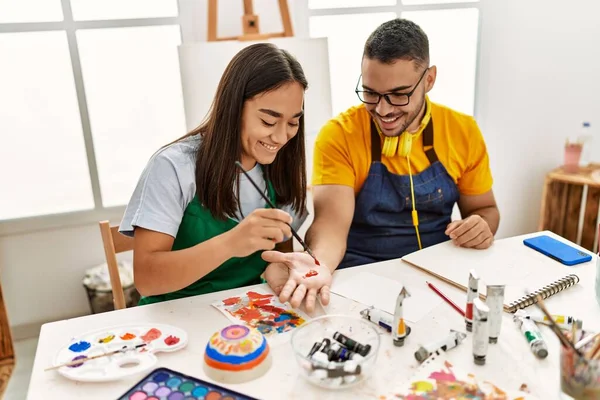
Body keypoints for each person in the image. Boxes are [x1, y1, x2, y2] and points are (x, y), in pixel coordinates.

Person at [264, 18, 500, 304]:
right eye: (371, 93)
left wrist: (481, 225)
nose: (383, 109)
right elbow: (330, 226)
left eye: (399, 95)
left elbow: (486, 210)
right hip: (360, 275)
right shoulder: (339, 135)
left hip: (440, 275)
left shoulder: (463, 131)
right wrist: (319, 265)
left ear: (429, 79)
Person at [119, 43, 330, 309]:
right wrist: (231, 243)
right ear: (233, 108)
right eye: (267, 121)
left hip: (250, 311)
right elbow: (147, 279)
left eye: (292, 122)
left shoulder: (281, 164)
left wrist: (281, 268)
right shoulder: (173, 166)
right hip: (177, 316)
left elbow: (278, 254)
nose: (280, 137)